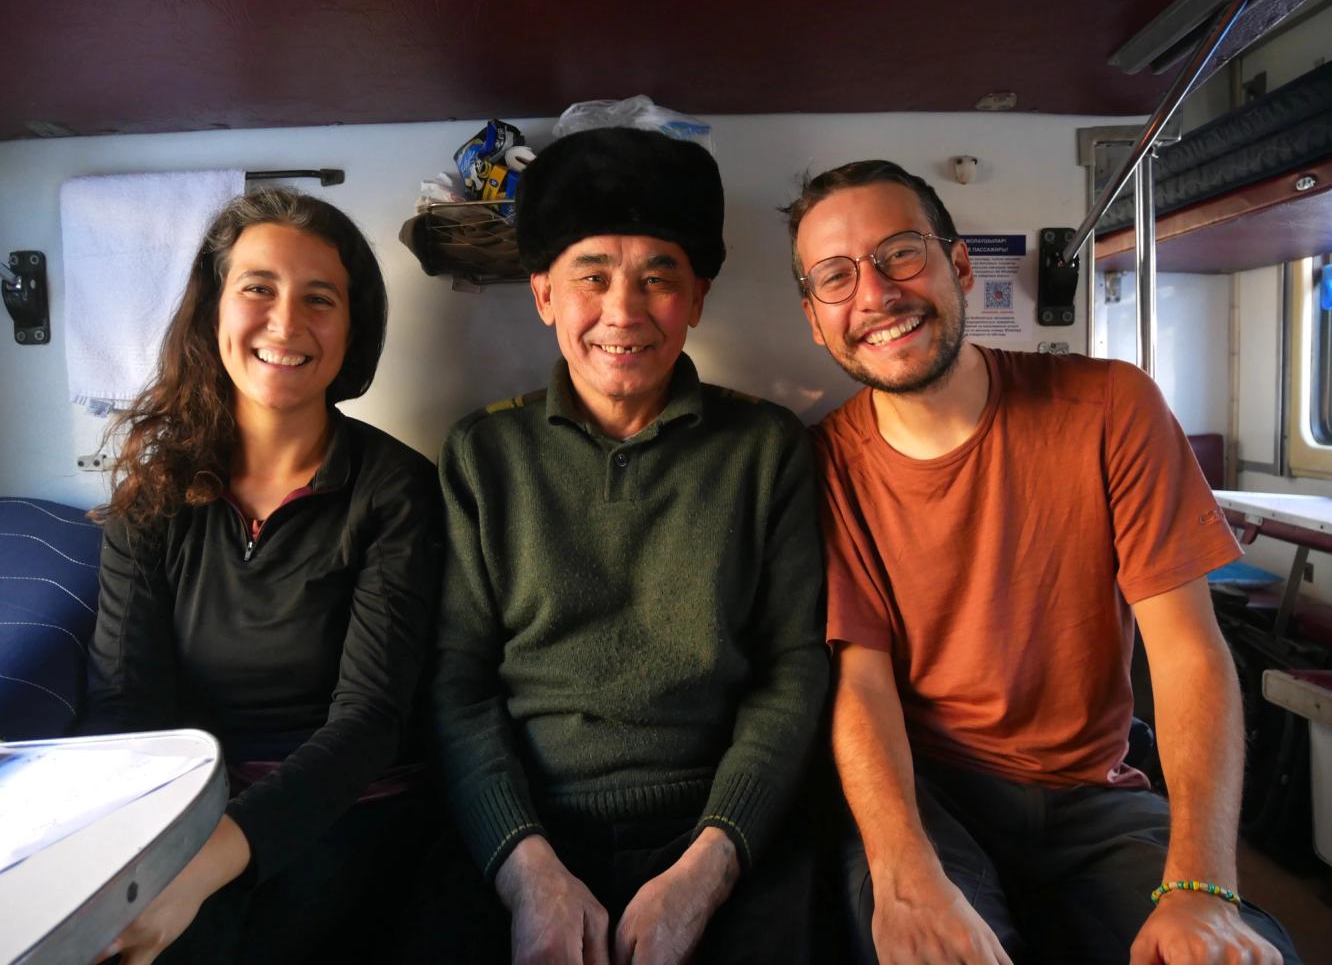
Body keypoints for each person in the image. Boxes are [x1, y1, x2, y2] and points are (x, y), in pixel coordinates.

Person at [784, 160, 1300, 964]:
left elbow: (1187, 649)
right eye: (836, 277)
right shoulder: (823, 466)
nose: (876, 295)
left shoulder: (1111, 409)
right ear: (817, 320)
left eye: (900, 255)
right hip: (925, 793)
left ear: (959, 267)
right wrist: (903, 871)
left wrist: (1201, 888)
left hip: (1093, 795)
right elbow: (860, 680)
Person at [430, 127, 828, 964]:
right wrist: (524, 870)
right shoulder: (483, 455)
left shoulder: (766, 448)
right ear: (543, 294)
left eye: (659, 278)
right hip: (528, 828)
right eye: (592, 278)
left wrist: (709, 867)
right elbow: (458, 687)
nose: (623, 311)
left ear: (699, 296)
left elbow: (794, 672)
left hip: (723, 827)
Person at [80, 188, 444, 965]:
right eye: (258, 289)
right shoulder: (153, 487)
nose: (286, 324)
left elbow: (368, 725)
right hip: (187, 803)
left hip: (345, 810)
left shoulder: (394, 489)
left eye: (320, 298)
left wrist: (200, 870)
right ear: (214, 311)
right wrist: (140, 853)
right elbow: (123, 703)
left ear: (353, 328)